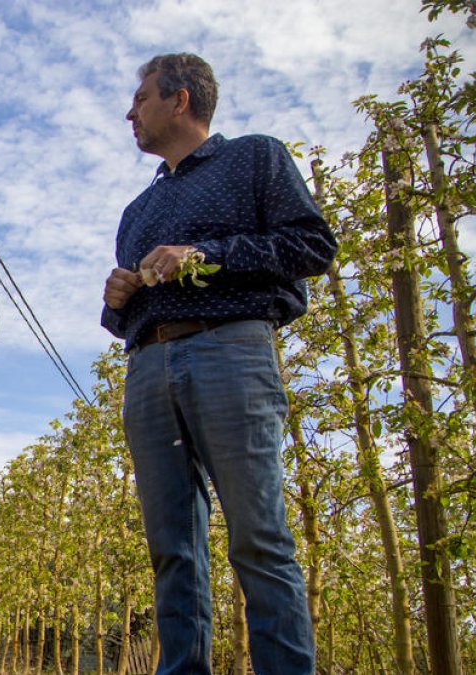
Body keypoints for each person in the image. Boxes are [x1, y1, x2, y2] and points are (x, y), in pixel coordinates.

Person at [102, 53, 336, 674]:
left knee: (258, 537)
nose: (131, 112)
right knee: (172, 547)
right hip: (148, 364)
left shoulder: (256, 157)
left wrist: (204, 253)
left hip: (230, 348)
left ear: (180, 100)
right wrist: (117, 298)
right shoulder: (137, 211)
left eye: (142, 98)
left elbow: (312, 246)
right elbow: (123, 317)